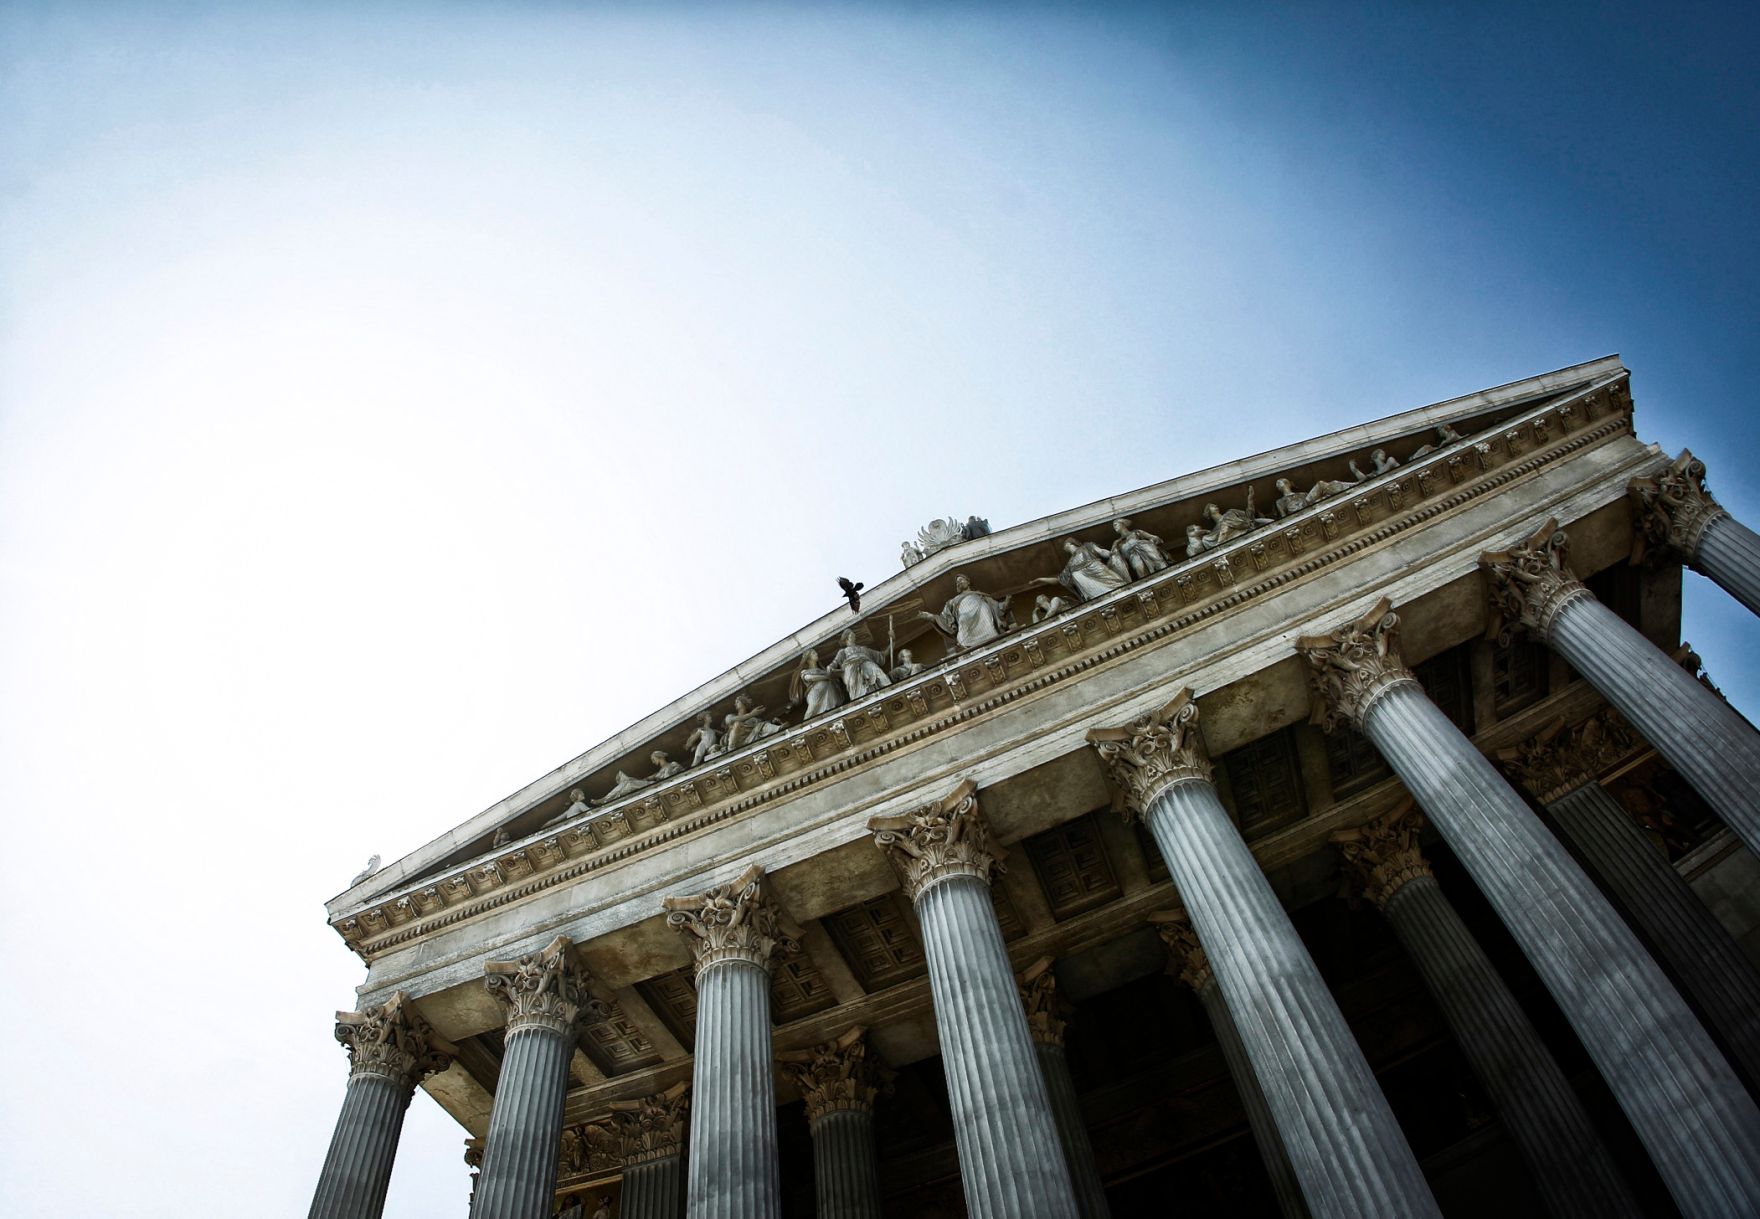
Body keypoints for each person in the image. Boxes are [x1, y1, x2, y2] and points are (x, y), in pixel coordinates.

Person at [918, 574, 1012, 651]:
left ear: (968, 582)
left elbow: (997, 607)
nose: (959, 583)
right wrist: (932, 617)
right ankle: (969, 643)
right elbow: (945, 618)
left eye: (961, 580)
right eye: (957, 582)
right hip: (965, 622)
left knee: (984, 609)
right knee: (963, 619)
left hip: (985, 619)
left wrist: (1007, 601)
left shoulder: (981, 595)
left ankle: (991, 638)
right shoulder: (953, 601)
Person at [1042, 537, 1130, 601]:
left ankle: (1118, 589)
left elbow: (1101, 551)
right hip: (1085, 580)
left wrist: (1111, 554)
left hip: (1096, 568)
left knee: (1112, 581)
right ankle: (1099, 597)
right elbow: (1059, 580)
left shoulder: (1087, 546)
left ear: (1070, 543)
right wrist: (1040, 579)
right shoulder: (1070, 564)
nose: (1065, 548)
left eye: (1066, 545)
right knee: (1077, 575)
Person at [830, 629, 892, 700]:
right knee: (855, 683)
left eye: (854, 634)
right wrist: (830, 667)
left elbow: (882, 655)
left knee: (877, 671)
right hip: (852, 670)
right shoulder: (843, 652)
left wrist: (892, 641)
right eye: (852, 634)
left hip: (867, 664)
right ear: (847, 638)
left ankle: (888, 689)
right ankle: (859, 699)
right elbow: (834, 663)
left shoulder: (863, 649)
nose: (854, 636)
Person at [790, 648, 847, 718]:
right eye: (813, 653)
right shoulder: (805, 671)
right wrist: (827, 677)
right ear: (808, 658)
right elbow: (810, 678)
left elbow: (834, 677)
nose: (816, 654)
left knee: (832, 708)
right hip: (816, 693)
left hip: (830, 692)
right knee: (812, 709)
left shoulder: (823, 670)